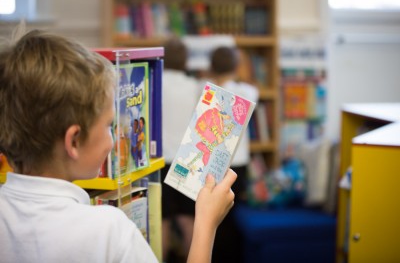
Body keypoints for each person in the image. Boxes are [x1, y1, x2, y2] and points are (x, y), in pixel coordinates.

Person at [0, 28, 237, 263]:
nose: (114, 140)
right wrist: (206, 223)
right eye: (109, 126)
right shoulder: (110, 231)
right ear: (74, 141)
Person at [208, 46, 259, 263]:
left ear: (211, 67)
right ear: (236, 67)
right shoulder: (247, 92)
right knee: (236, 215)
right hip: (239, 165)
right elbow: (252, 88)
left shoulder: (207, 89)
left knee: (215, 216)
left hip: (215, 163)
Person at [161, 37, 201, 262]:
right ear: (186, 60)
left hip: (160, 159)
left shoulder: (155, 82)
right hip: (188, 159)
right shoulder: (195, 87)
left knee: (162, 220)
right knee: (188, 220)